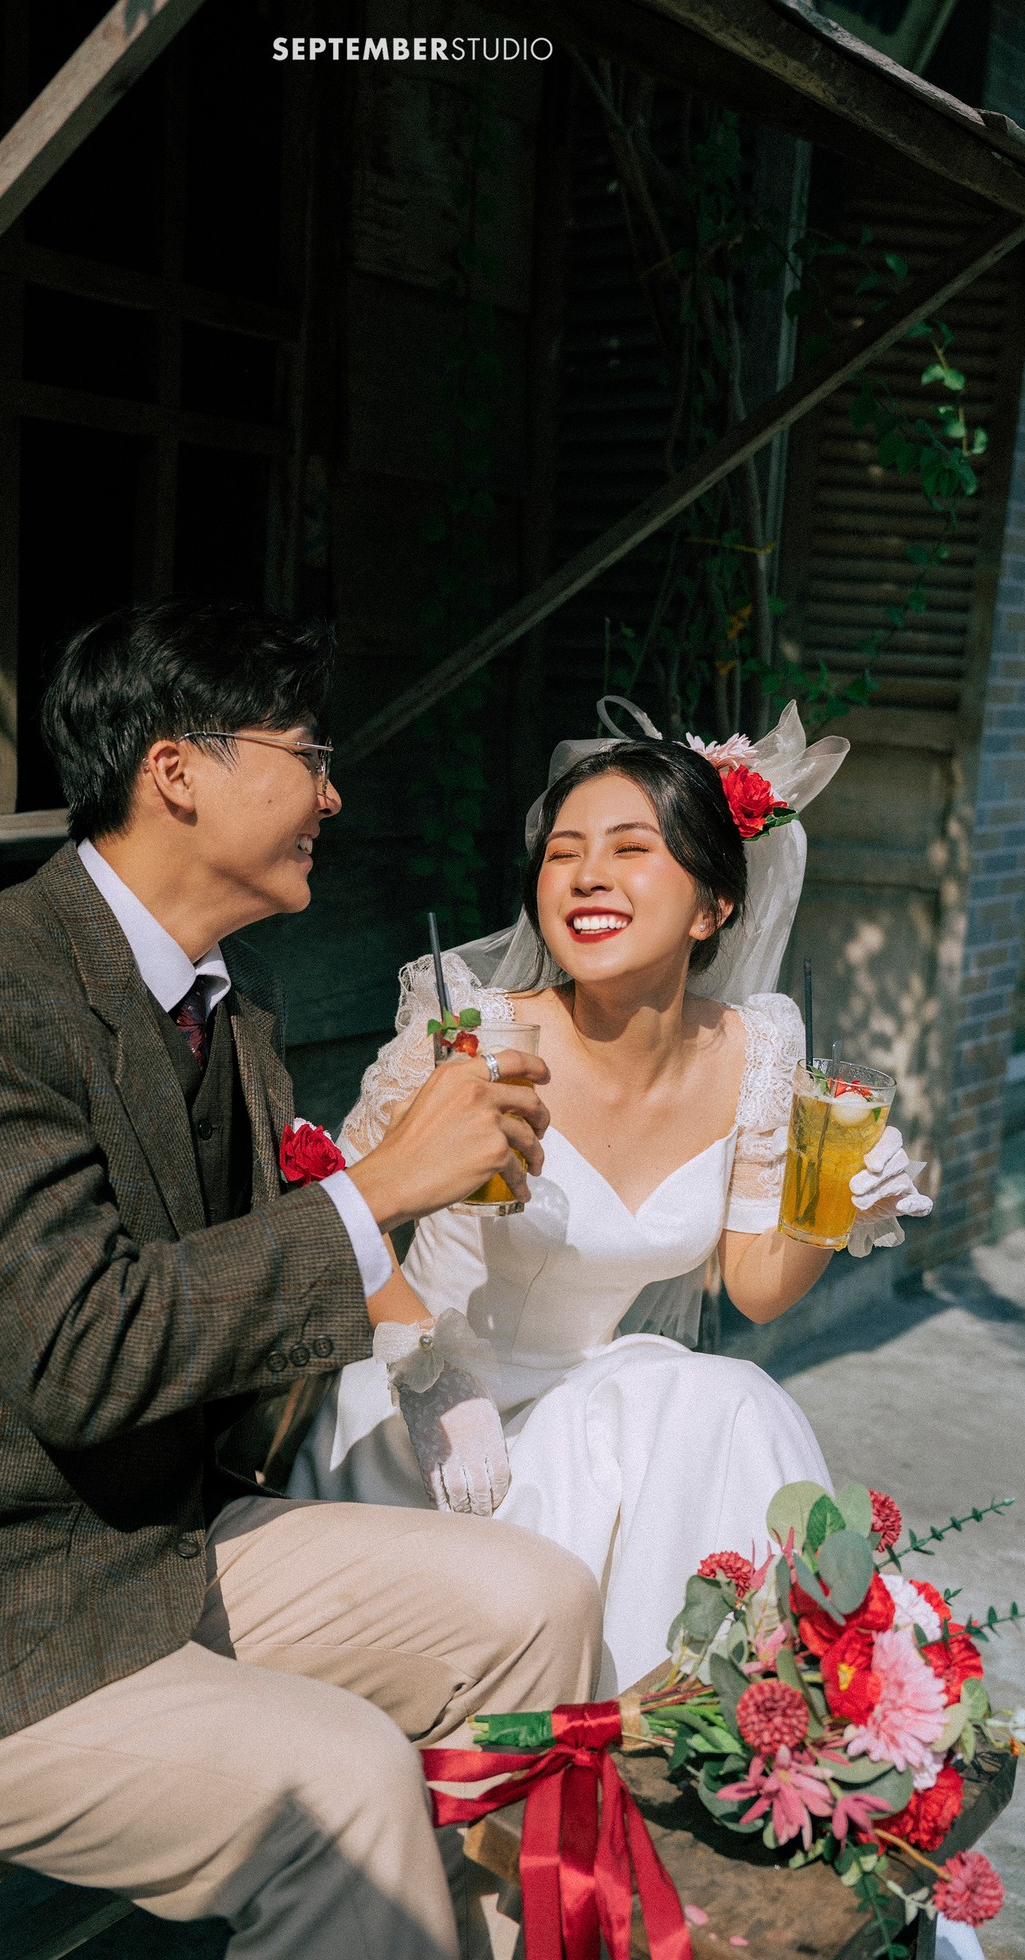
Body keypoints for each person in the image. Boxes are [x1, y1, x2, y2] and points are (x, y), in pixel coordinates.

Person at [0, 604, 604, 1960]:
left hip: (146, 1544)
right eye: (307, 755)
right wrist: (380, 1187)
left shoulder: (230, 1003)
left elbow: (244, 1299)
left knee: (541, 1601)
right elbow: (81, 1354)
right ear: (175, 771)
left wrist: (425, 1342)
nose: (333, 794)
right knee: (343, 1783)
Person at [291, 699, 933, 1700]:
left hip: (588, 1393)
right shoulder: (473, 1033)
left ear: (712, 906)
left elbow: (755, 1289)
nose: (586, 874)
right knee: (658, 1427)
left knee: (730, 1398)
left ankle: (775, 1706)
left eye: (631, 848)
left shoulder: (759, 1049)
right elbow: (334, 1212)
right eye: (563, 853)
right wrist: (423, 1370)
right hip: (432, 1417)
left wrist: (836, 1207)